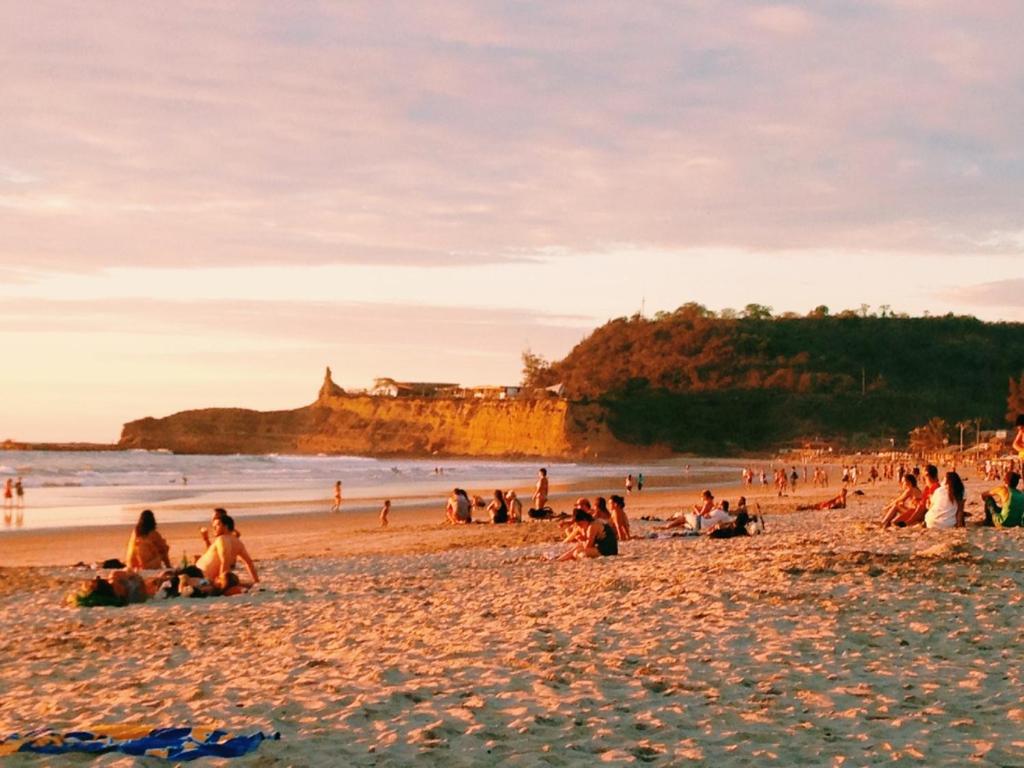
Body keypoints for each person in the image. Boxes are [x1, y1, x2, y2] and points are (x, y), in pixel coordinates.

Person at [195, 511, 259, 590]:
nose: (214, 529)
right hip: (210, 577)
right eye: (213, 526)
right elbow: (248, 563)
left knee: (184, 579)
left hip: (203, 578)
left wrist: (222, 583)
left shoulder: (222, 539)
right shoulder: (237, 542)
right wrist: (256, 580)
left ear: (225, 527)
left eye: (217, 526)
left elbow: (225, 561)